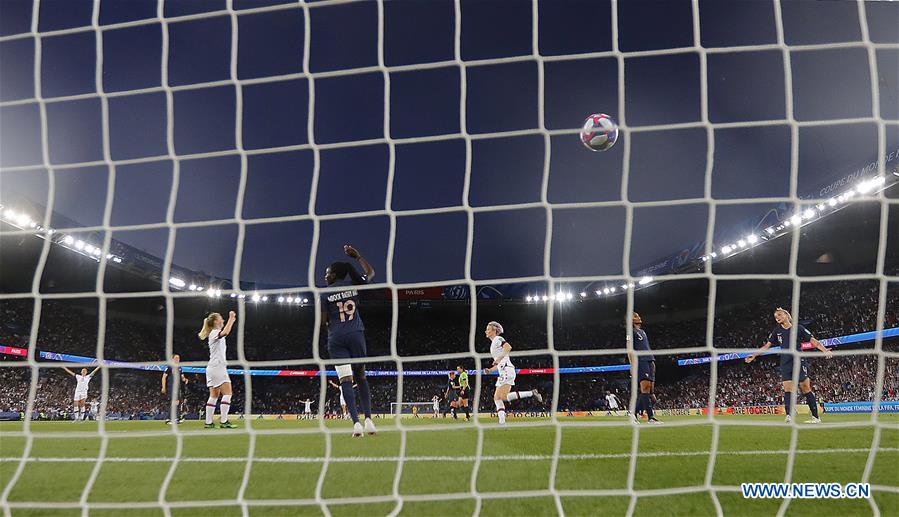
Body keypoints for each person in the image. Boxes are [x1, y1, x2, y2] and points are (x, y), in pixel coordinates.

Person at [322, 244, 377, 437]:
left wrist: (330, 327)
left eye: (328, 273)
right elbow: (370, 273)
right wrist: (358, 256)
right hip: (356, 334)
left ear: (335, 275)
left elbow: (323, 321)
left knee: (345, 380)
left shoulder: (324, 293)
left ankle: (356, 424)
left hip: (336, 338)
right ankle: (369, 420)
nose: (325, 276)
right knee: (361, 377)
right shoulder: (353, 286)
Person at [745, 307, 833, 423]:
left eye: (780, 315)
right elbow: (767, 346)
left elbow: (813, 340)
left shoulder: (799, 328)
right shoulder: (777, 331)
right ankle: (789, 415)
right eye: (776, 317)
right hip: (785, 362)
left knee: (805, 388)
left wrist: (824, 350)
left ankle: (816, 417)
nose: (777, 318)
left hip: (798, 360)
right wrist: (754, 355)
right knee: (788, 389)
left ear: (787, 315)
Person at [483, 321, 542, 425]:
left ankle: (531, 393)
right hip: (504, 371)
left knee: (501, 397)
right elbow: (498, 363)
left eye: (488, 329)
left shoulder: (498, 339)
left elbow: (508, 347)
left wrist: (498, 359)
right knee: (498, 397)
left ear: (494, 330)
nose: (486, 331)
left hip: (506, 370)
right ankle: (502, 422)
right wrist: (490, 370)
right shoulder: (493, 343)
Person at [198, 311, 237, 429]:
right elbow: (225, 332)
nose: (223, 320)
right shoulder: (214, 332)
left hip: (212, 368)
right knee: (228, 393)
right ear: (216, 321)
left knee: (214, 395)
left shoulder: (212, 333)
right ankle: (224, 421)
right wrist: (231, 319)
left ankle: (208, 422)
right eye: (221, 318)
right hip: (218, 366)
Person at [627, 312, 662, 424]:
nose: (639, 317)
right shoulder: (630, 332)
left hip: (649, 360)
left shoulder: (642, 332)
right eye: (635, 316)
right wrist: (632, 364)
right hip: (640, 360)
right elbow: (629, 349)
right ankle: (650, 417)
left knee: (649, 391)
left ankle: (634, 413)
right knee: (645, 388)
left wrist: (652, 361)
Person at [162, 354, 189, 425]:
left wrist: (185, 379)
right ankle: (171, 418)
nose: (178, 359)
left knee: (176, 402)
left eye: (179, 358)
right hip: (172, 387)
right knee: (175, 402)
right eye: (176, 358)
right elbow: (164, 377)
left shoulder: (179, 368)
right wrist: (163, 387)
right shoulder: (170, 367)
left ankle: (173, 418)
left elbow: (182, 377)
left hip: (178, 388)